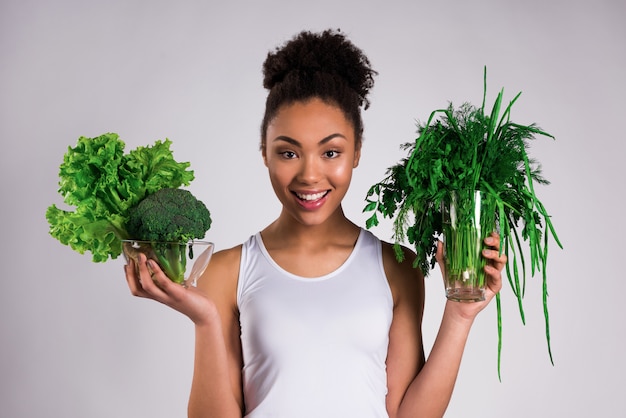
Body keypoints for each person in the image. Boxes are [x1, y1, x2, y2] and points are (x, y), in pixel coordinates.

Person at [124, 29, 506, 418]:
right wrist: (204, 320)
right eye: (288, 152)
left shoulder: (398, 268)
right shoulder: (225, 271)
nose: (310, 175)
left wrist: (460, 315)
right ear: (264, 154)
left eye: (331, 151)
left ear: (356, 151)